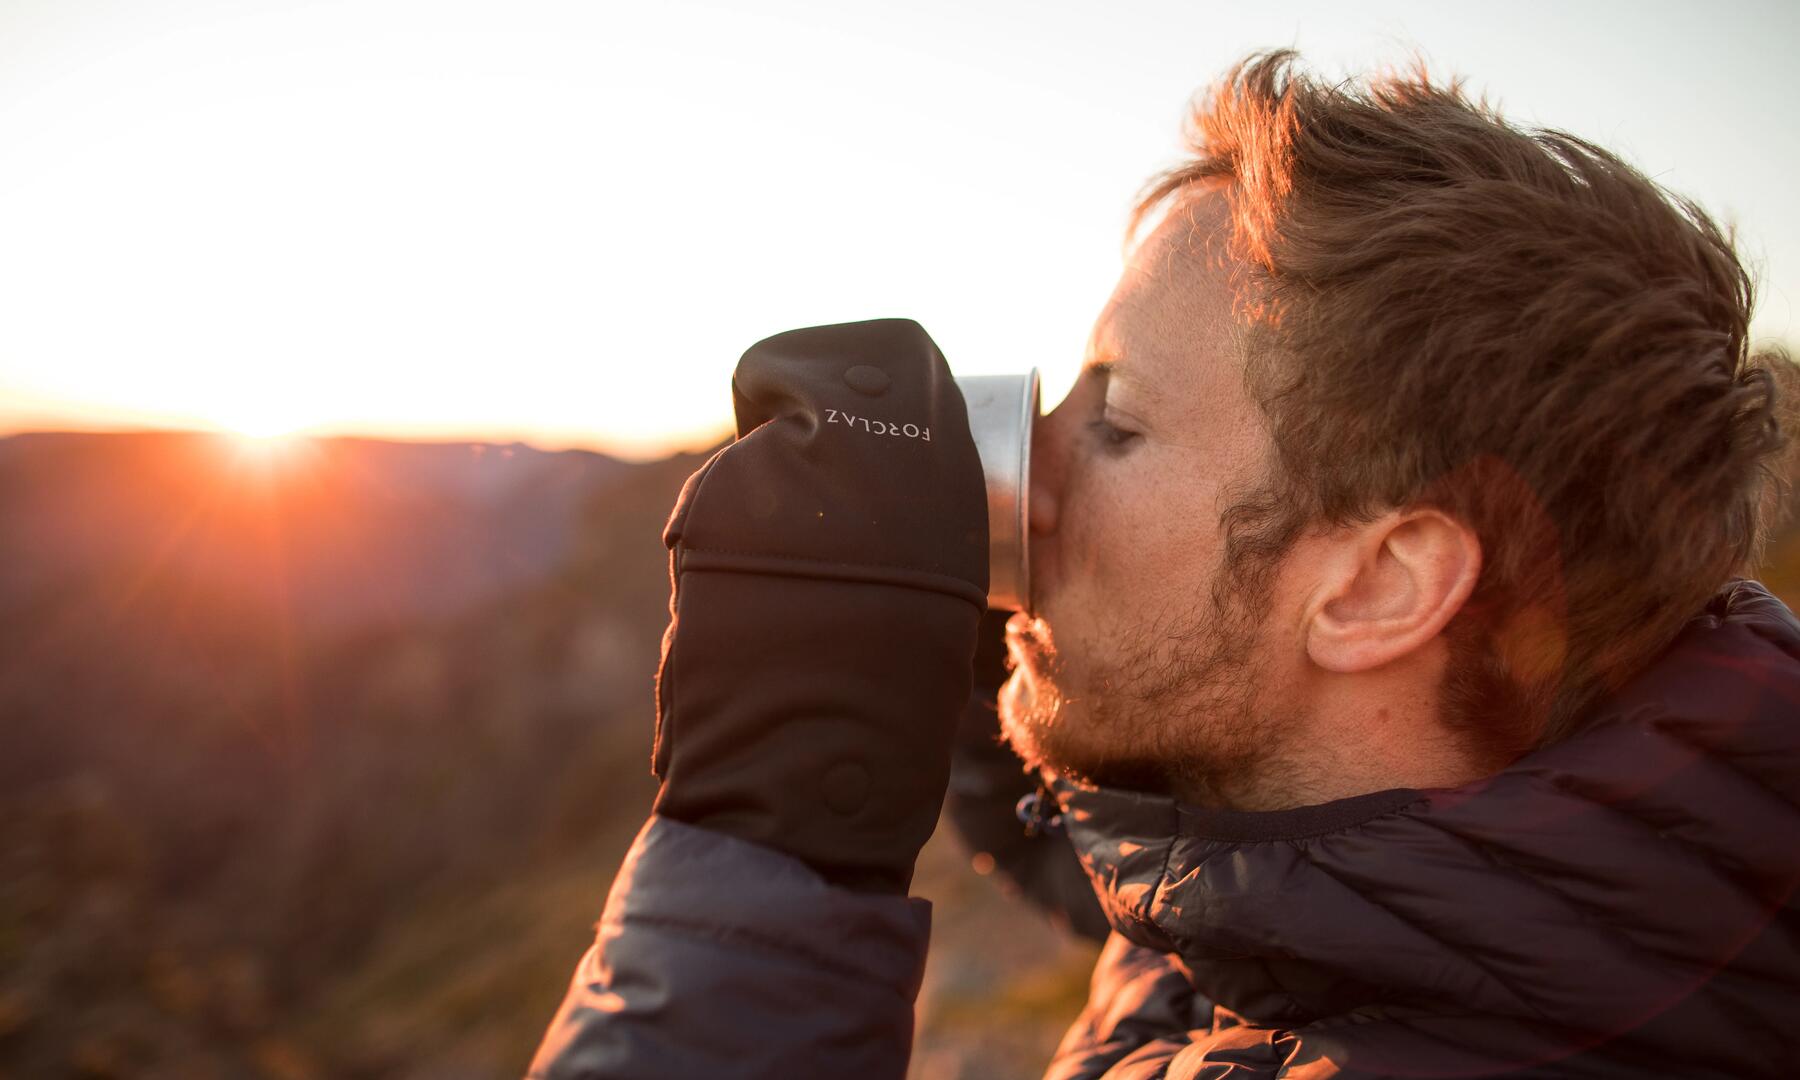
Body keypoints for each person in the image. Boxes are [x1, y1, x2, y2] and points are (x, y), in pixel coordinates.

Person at [528, 51, 1800, 1078]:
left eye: (1117, 421)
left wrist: (779, 833)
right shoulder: (1626, 858)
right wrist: (978, 703)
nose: (1039, 455)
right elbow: (1243, 917)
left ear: (1376, 587)